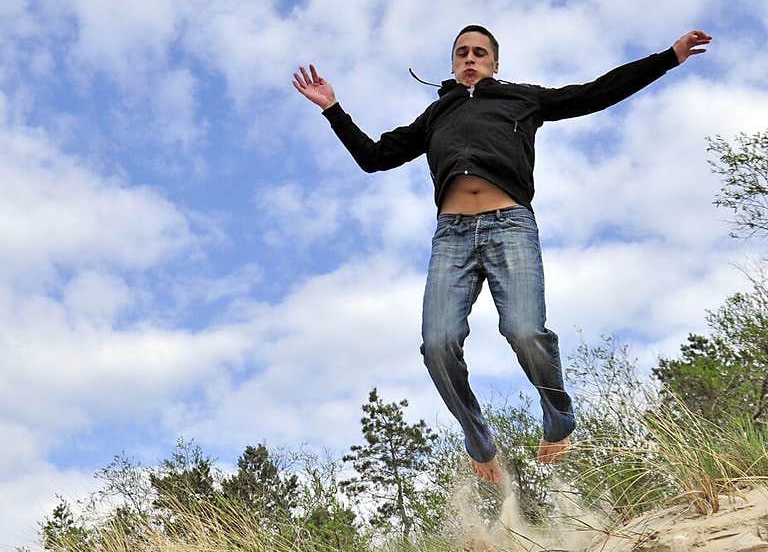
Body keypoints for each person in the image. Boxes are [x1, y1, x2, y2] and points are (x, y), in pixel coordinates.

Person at [292, 25, 711, 483]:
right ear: (452, 64)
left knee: (525, 330)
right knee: (437, 344)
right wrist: (332, 109)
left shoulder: (520, 99)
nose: (470, 58)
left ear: (494, 61)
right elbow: (374, 157)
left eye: (479, 52)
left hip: (509, 224)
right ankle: (477, 439)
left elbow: (595, 93)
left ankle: (559, 418)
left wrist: (668, 57)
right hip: (451, 236)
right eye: (461, 53)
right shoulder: (435, 115)